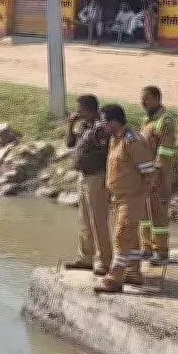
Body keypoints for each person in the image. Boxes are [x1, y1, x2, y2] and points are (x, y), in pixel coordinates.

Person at [95, 104, 158, 293]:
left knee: (121, 235)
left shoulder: (132, 141)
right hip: (118, 197)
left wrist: (140, 194)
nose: (101, 124)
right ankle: (133, 272)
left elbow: (148, 171)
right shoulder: (115, 139)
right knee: (130, 235)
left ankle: (114, 278)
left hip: (132, 197)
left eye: (104, 121)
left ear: (115, 122)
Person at [63, 94, 112, 275]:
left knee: (97, 220)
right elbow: (69, 143)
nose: (77, 112)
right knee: (84, 220)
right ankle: (85, 257)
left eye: (79, 109)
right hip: (83, 177)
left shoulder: (100, 128)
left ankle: (103, 260)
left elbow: (107, 151)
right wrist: (70, 125)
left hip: (97, 177)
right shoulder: (85, 125)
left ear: (88, 109)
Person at [138, 86, 176, 266]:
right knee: (144, 214)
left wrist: (156, 173)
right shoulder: (146, 120)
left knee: (158, 213)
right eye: (142, 99)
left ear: (157, 99)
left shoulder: (165, 120)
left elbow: (164, 151)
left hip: (159, 176)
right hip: (144, 174)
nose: (143, 102)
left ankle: (161, 252)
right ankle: (147, 248)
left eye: (147, 99)